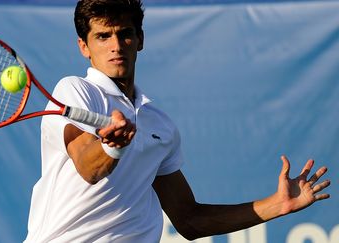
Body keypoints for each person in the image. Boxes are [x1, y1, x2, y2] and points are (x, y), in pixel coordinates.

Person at [24, 0, 331, 242]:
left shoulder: (160, 126)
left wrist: (276, 205)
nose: (115, 45)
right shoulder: (75, 91)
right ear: (84, 48)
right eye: (103, 36)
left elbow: (189, 219)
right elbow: (88, 168)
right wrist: (112, 148)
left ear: (139, 39)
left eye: (124, 33)